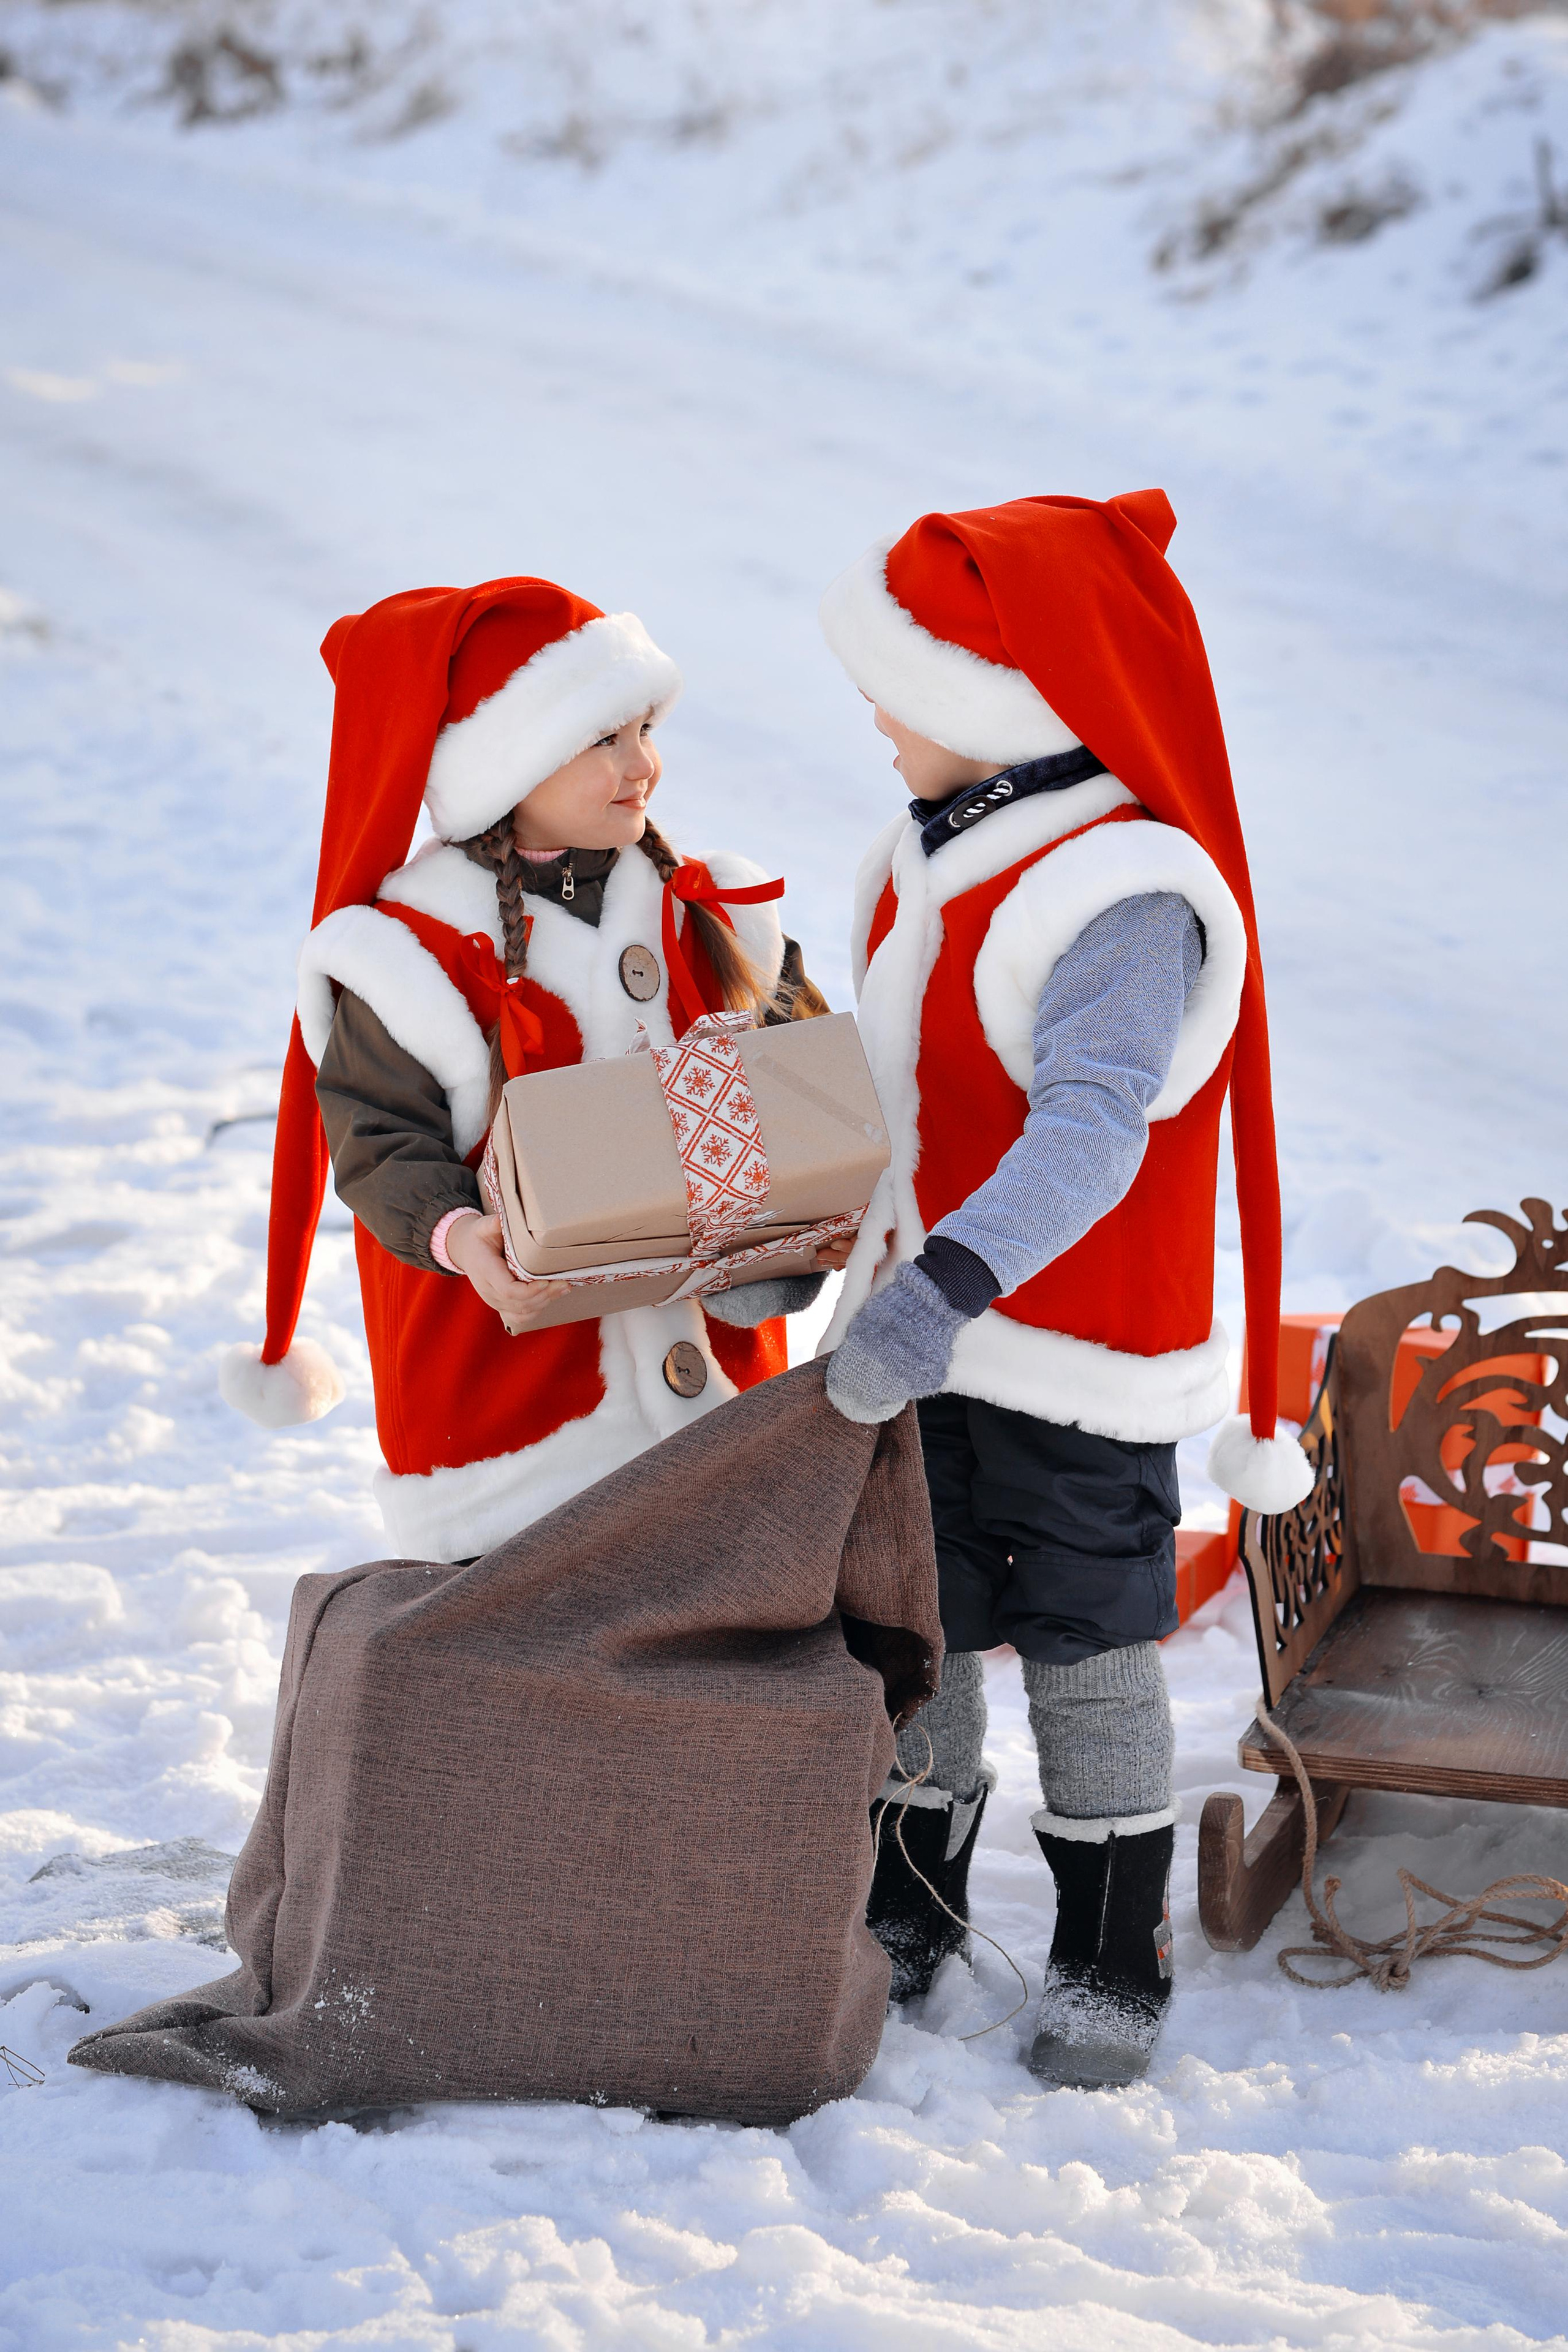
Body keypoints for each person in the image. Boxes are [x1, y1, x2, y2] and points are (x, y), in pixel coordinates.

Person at [815, 492, 1311, 2089]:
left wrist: (941, 1282)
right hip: (927, 1333)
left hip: (1072, 1355)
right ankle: (906, 1913)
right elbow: (903, 1082)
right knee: (923, 1632)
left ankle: (1112, 1965)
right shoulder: (930, 845)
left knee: (1091, 1652)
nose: (878, 721)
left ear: (996, 701)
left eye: (902, 690)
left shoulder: (1122, 892)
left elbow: (1090, 1131)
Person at [222, 576, 840, 1563]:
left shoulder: (713, 912)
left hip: (720, 1405)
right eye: (603, 740)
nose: (643, 764)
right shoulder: (415, 951)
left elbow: (809, 1103)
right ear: (507, 767)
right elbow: (380, 1142)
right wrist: (466, 1239)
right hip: (515, 1417)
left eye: (645, 727)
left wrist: (792, 1233)